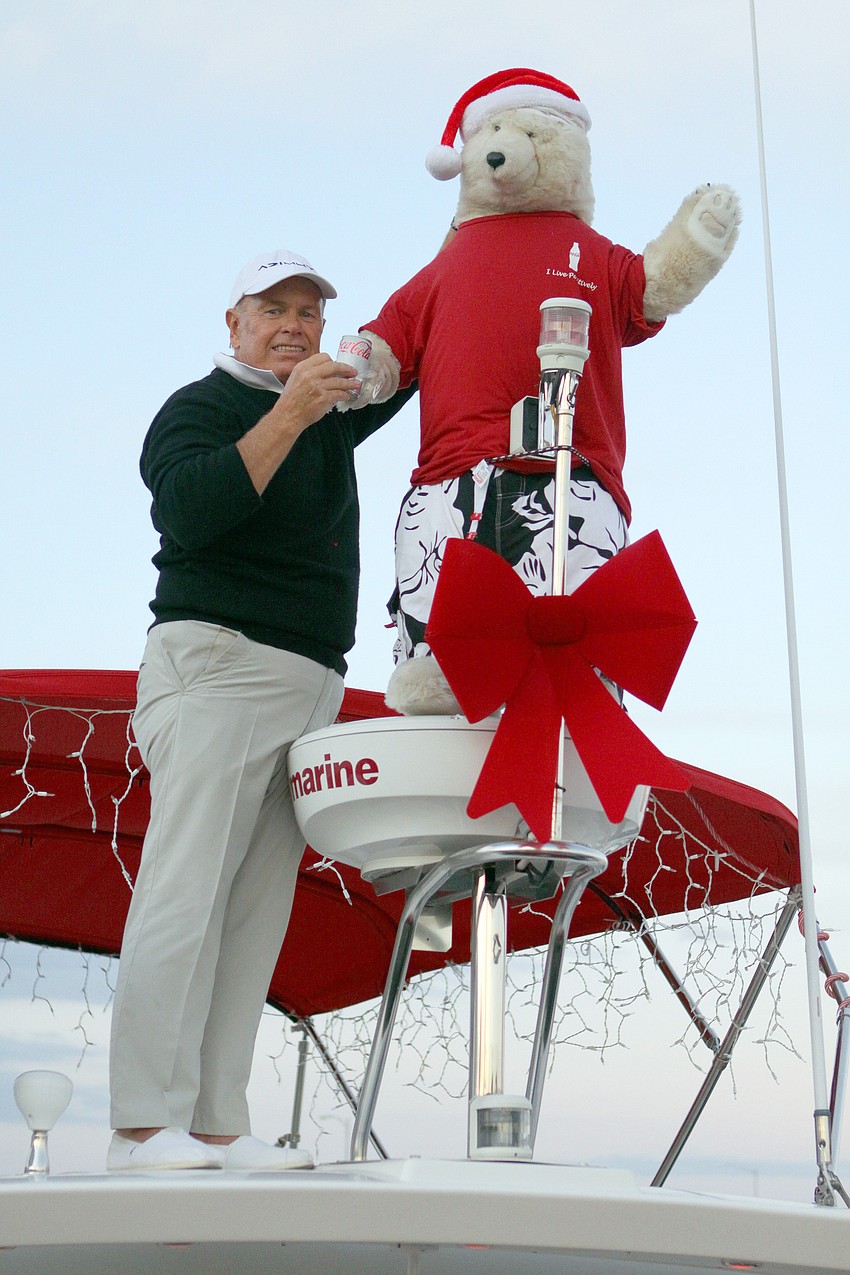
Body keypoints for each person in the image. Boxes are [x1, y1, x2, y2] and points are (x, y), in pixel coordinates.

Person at [107, 250, 414, 1172]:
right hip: (219, 666)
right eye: (273, 308)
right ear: (232, 324)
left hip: (305, 683)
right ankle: (136, 1127)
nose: (295, 324)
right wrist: (292, 409)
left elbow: (416, 340)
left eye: (311, 313)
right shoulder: (199, 406)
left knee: (251, 911)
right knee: (184, 891)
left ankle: (212, 1124)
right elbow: (192, 512)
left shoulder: (324, 412)